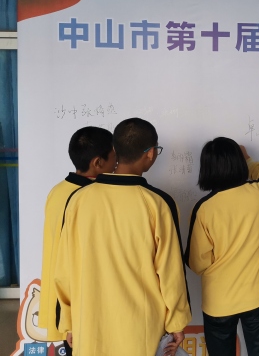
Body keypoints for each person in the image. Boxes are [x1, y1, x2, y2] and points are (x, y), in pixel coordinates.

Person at [55, 118, 191, 356]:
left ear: (115, 150)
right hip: (140, 329)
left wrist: (68, 322)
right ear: (150, 154)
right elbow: (171, 273)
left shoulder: (78, 200)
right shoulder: (158, 204)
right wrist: (177, 322)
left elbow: (64, 269)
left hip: (90, 325)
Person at [185, 137, 259, 356]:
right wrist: (249, 160)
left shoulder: (204, 209)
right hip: (258, 295)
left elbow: (197, 263)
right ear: (238, 163)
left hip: (219, 301)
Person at [38, 126, 116, 355]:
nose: (117, 164)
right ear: (97, 163)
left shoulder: (57, 190)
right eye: (114, 157)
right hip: (80, 304)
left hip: (64, 301)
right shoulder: (90, 198)